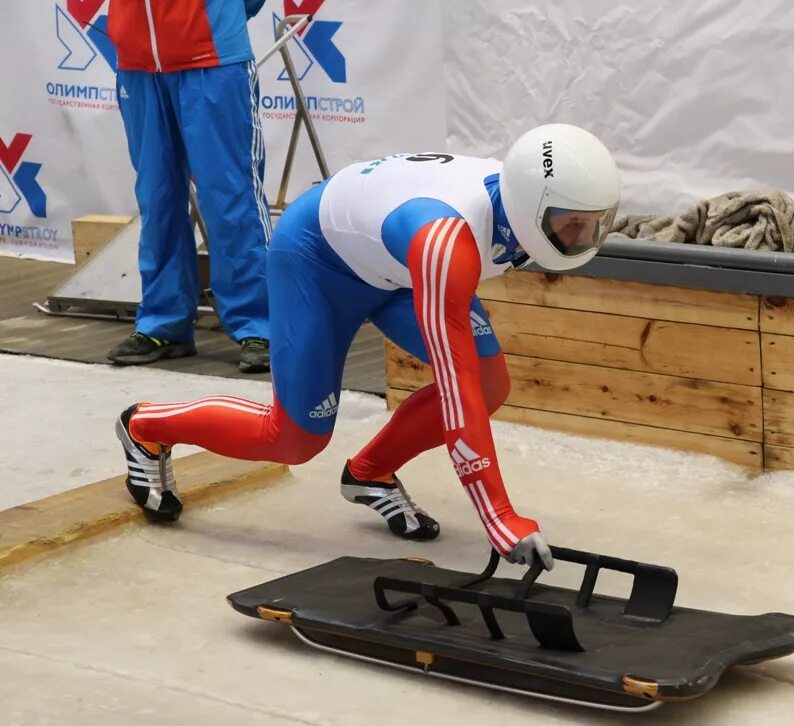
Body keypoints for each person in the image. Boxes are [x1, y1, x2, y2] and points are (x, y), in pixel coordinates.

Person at [114, 124, 621, 569]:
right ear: (532, 211)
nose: (586, 237)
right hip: (319, 263)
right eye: (572, 224)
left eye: (596, 222)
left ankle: (369, 474)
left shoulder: (517, 196)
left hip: (394, 265)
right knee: (295, 439)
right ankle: (145, 427)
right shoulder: (449, 242)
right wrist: (499, 515)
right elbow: (454, 388)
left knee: (491, 384)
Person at [105, 0, 273, 373]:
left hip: (212, 58)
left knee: (230, 197)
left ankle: (260, 325)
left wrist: (222, 18)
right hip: (137, 61)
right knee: (157, 197)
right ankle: (164, 323)